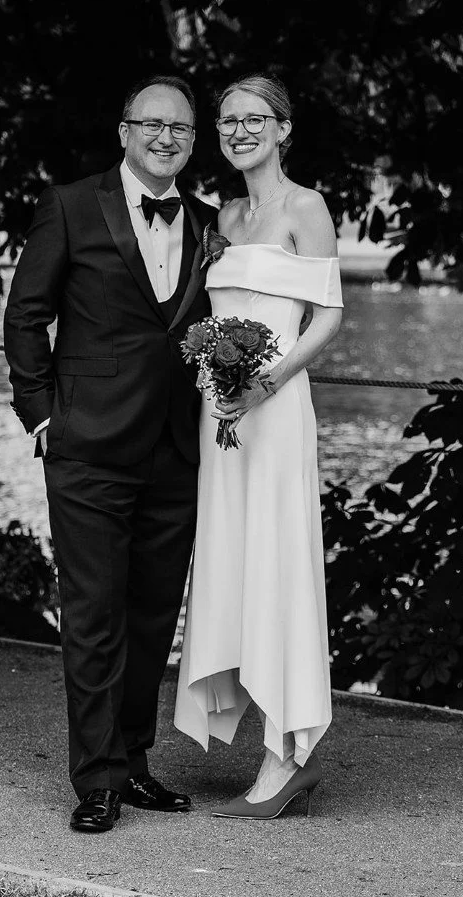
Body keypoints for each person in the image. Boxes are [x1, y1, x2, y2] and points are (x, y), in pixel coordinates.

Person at [3, 76, 218, 833]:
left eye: (182, 130)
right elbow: (26, 316)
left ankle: (133, 764)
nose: (166, 138)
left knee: (155, 616)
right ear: (123, 130)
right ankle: (95, 780)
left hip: (175, 449)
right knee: (94, 617)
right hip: (87, 447)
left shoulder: (208, 222)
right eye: (152, 125)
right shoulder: (70, 204)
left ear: (194, 142)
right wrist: (40, 416)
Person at [174, 74, 344, 819]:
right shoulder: (226, 214)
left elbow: (329, 319)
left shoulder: (307, 207)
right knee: (233, 557)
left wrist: (265, 383)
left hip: (274, 411)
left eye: (254, 119)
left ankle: (288, 753)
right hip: (222, 419)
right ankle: (262, 739)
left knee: (278, 560)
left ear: (283, 128)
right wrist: (218, 378)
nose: (240, 130)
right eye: (228, 120)